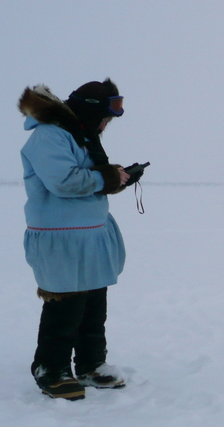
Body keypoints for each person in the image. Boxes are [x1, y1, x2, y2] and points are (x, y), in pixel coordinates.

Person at [18, 79, 140, 400]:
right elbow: (64, 181)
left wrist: (119, 177)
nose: (105, 125)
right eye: (105, 118)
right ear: (90, 111)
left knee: (93, 307)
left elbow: (90, 177)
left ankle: (91, 365)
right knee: (65, 308)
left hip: (92, 234)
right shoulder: (49, 136)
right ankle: (51, 370)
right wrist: (109, 177)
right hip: (61, 239)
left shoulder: (82, 136)